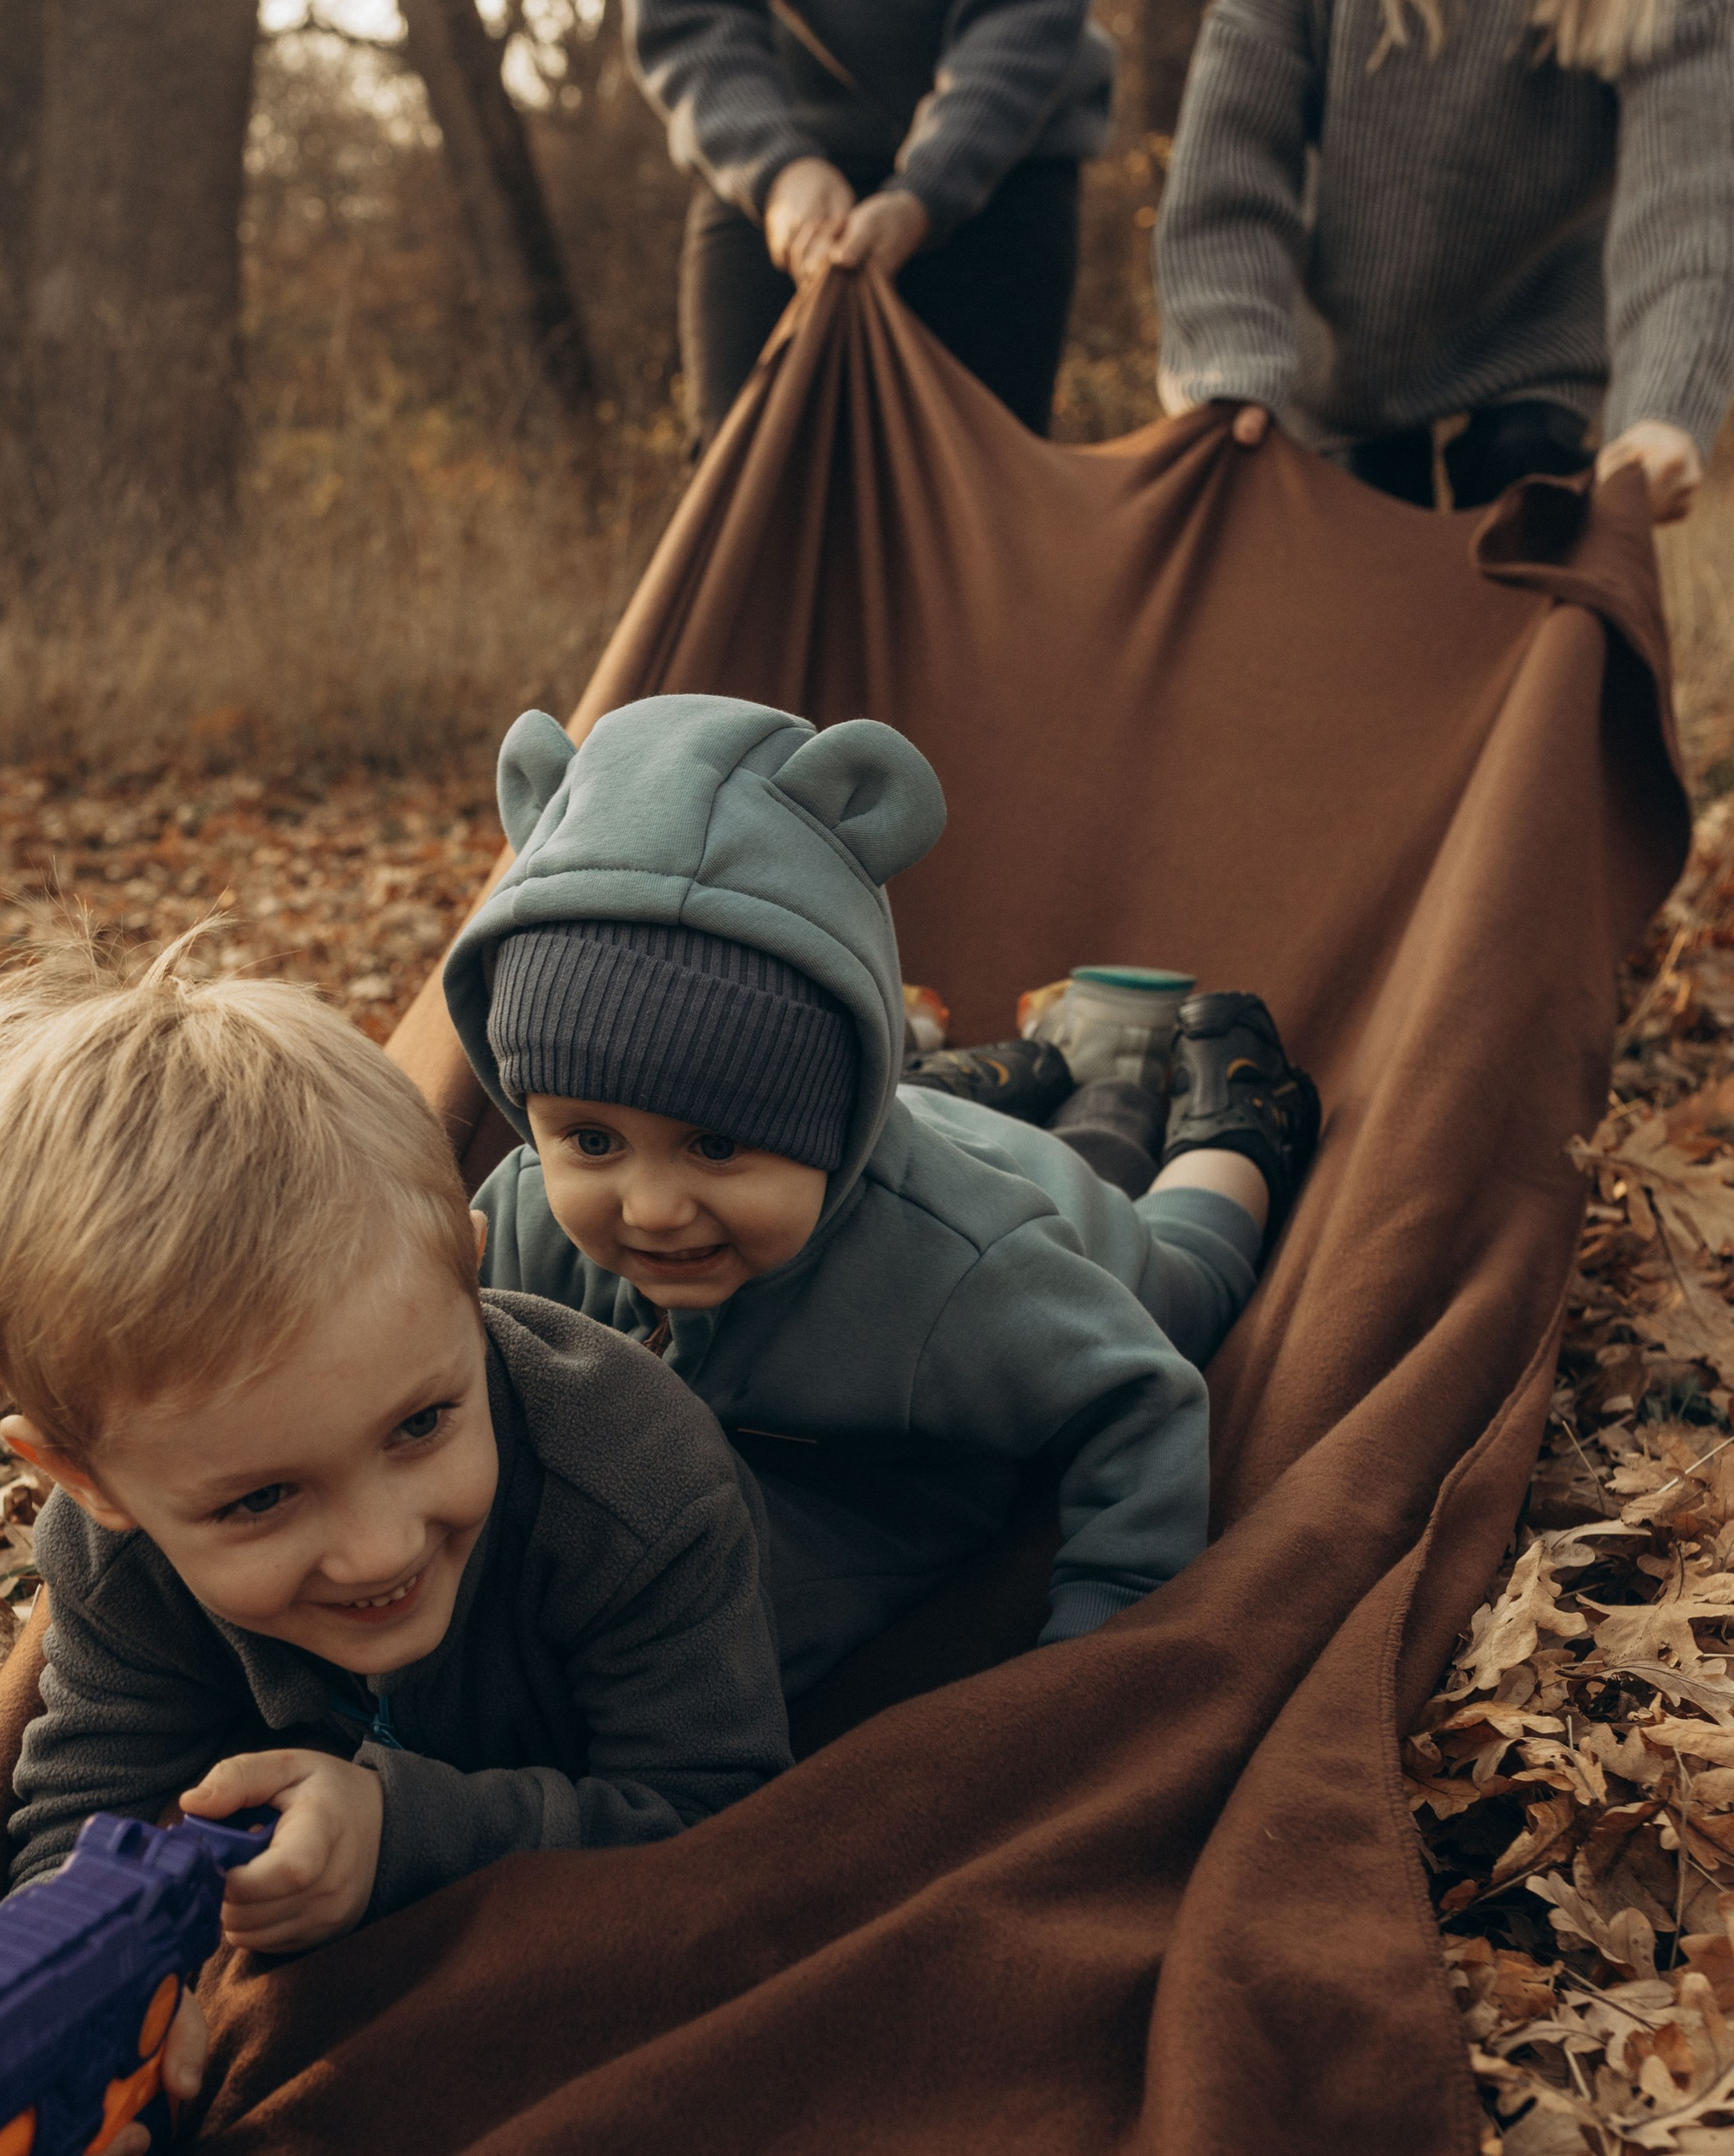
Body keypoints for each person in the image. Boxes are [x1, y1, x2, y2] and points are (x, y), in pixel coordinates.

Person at [0, 942, 792, 2156]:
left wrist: (402, 1832)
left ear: (471, 1282)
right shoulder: (115, 1551)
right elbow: (93, 1801)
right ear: (90, 1479)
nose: (378, 1548)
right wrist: (86, 2014)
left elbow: (717, 1819)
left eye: (422, 1425)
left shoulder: (635, 1483)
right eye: (262, 1499)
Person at [443, 693, 1321, 1701]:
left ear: (832, 1120)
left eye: (717, 1145)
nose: (648, 1208)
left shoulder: (965, 1275)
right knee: (974, 1114)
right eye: (589, 1141)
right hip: (897, 1122)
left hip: (1038, 1207)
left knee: (1189, 1276)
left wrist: (1103, 1622)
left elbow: (1142, 1395)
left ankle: (1226, 1124)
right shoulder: (513, 1218)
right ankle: (1035, 1066)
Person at [1154, 0, 1734, 521]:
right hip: (1345, 356)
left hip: (1541, 356)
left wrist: (1666, 404)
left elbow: (1689, 177)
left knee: (1537, 588)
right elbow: (1239, 134)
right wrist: (1228, 349)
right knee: (1346, 610)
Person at [616, 0, 1123, 445]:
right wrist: (778, 168)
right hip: (780, 163)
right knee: (741, 503)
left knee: (976, 519)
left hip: (1002, 162)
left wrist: (927, 189)